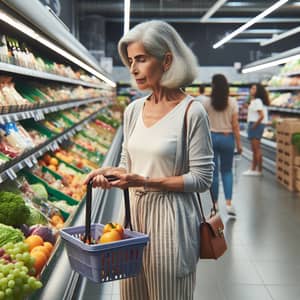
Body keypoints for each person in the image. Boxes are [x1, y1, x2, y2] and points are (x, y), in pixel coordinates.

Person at [84, 20, 214, 300]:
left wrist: (144, 181)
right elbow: (126, 164)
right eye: (130, 60)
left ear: (167, 60)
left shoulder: (192, 113)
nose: (133, 69)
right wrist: (109, 174)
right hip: (130, 218)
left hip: (171, 221)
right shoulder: (132, 110)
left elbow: (202, 179)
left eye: (141, 59)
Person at [202, 74, 242, 215]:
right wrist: (239, 143)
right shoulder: (232, 102)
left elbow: (202, 124)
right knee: (227, 171)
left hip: (211, 138)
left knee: (213, 173)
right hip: (227, 138)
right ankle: (229, 204)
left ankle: (215, 204)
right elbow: (235, 125)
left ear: (213, 86)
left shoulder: (206, 103)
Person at [243, 83, 270, 176]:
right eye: (251, 88)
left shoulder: (257, 101)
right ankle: (253, 169)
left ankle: (258, 170)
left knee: (256, 149)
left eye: (254, 88)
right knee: (255, 149)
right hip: (255, 124)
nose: (251, 90)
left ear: (258, 91)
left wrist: (254, 125)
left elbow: (261, 115)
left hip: (255, 124)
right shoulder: (255, 100)